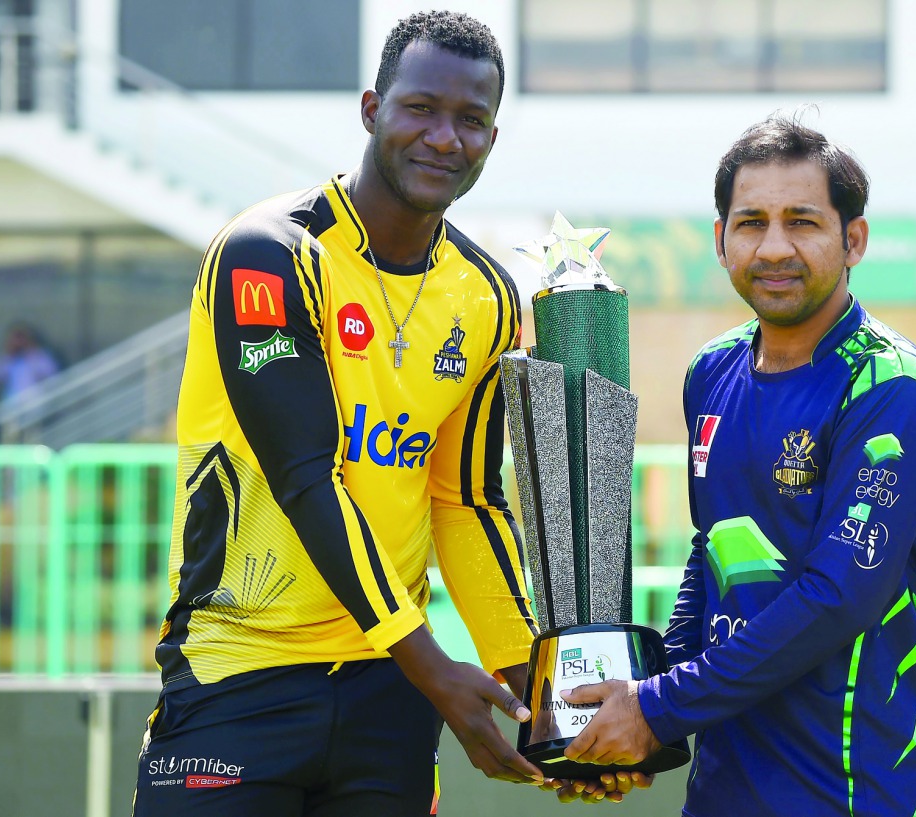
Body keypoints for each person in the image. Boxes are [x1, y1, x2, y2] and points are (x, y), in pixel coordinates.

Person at [133, 11, 634, 815]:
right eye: (420, 109)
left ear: (492, 139)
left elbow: (464, 500)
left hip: (389, 694)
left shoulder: (487, 297)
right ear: (372, 109)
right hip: (238, 674)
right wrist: (436, 668)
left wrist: (543, 696)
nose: (444, 137)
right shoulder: (269, 254)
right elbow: (306, 476)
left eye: (470, 121)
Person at [561, 114, 916, 816]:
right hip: (728, 789)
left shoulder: (892, 389)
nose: (775, 246)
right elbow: (713, 552)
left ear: (854, 240)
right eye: (751, 222)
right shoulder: (712, 370)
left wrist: (656, 708)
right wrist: (638, 713)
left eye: (802, 221)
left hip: (870, 786)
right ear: (721, 242)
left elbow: (839, 595)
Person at [0, 321, 59, 403]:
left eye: (21, 337)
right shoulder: (6, 358)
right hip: (12, 406)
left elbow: (52, 375)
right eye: (16, 337)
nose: (19, 341)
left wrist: (30, 352)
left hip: (35, 405)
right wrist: (9, 354)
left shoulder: (39, 356)